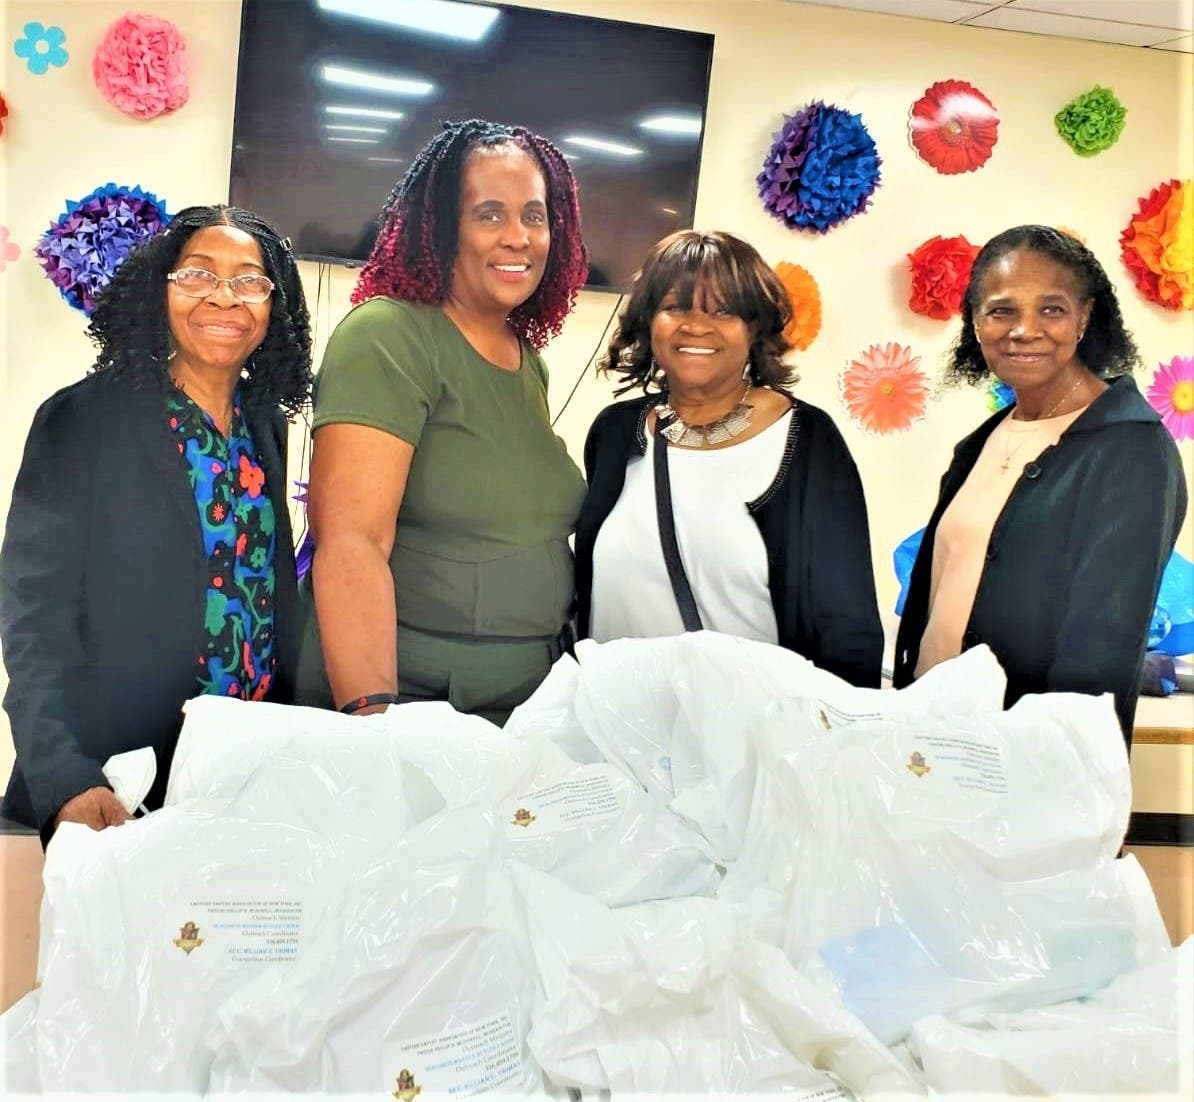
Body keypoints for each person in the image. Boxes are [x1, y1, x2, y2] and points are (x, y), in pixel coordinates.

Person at [1, 205, 313, 841]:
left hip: (246, 770)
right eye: (197, 274)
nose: (223, 297)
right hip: (118, 772)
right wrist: (65, 774)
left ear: (272, 306)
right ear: (160, 289)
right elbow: (31, 616)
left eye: (249, 280)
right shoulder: (86, 418)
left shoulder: (265, 427)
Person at [297, 119, 588, 724]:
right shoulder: (390, 334)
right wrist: (374, 723)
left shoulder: (524, 358)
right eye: (489, 214)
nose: (518, 237)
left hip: (521, 703)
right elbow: (351, 544)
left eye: (534, 216)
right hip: (414, 702)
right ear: (440, 230)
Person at [894, 225, 1187, 745]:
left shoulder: (1131, 450)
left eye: (1051, 309)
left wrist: (1049, 773)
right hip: (931, 735)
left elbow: (1101, 647)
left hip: (1024, 758)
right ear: (976, 322)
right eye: (1002, 310)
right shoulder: (979, 444)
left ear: (1084, 318)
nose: (1023, 330)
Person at [575, 230, 883, 688]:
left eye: (724, 310)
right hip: (617, 730)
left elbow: (848, 629)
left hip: (750, 741)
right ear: (649, 321)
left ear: (755, 327)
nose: (696, 326)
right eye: (675, 306)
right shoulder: (616, 432)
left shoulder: (807, 443)